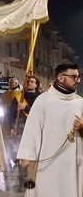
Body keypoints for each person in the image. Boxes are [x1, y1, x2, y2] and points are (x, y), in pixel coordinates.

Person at [17, 63, 83, 197]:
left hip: (74, 161)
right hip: (47, 160)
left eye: (79, 77)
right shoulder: (44, 100)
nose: (78, 80)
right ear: (60, 77)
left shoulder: (80, 102)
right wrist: (27, 155)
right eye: (74, 77)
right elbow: (32, 129)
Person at [9, 75, 41, 192]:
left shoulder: (41, 98)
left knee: (34, 158)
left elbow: (41, 114)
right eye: (28, 81)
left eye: (32, 81)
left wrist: (26, 108)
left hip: (35, 130)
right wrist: (12, 127)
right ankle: (22, 182)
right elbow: (11, 114)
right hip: (21, 129)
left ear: (37, 85)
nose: (30, 83)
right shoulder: (19, 97)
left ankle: (32, 181)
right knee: (22, 157)